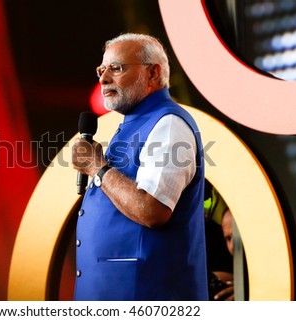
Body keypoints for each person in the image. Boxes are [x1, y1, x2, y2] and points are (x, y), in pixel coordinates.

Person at [71, 33, 208, 300]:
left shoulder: (168, 124)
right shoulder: (135, 123)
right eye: (102, 70)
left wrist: (98, 167)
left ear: (153, 74)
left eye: (117, 68)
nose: (103, 79)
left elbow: (152, 209)